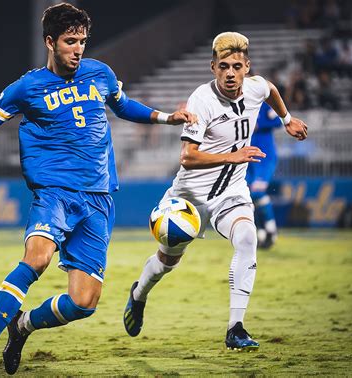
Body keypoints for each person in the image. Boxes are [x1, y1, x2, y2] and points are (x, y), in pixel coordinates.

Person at [0, 3, 196, 375]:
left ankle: (21, 327)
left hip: (98, 198)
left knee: (84, 302)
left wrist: (166, 117)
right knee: (37, 257)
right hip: (54, 192)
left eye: (82, 40)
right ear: (50, 42)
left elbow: (124, 106)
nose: (78, 48)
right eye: (70, 41)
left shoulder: (100, 74)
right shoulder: (27, 87)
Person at [123, 32, 307, 350]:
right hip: (189, 197)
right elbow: (187, 157)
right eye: (224, 66)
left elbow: (272, 91)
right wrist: (232, 156)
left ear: (247, 67)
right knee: (167, 262)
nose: (231, 73)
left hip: (231, 193)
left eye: (237, 65)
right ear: (213, 67)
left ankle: (235, 328)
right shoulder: (201, 100)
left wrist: (287, 119)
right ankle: (138, 295)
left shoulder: (256, 86)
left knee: (248, 238)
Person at [246, 102, 283, 249]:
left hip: (264, 156)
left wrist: (258, 124)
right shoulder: (239, 104)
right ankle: (260, 233)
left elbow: (277, 120)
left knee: (257, 192)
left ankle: (271, 230)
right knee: (247, 195)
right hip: (247, 157)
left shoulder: (265, 103)